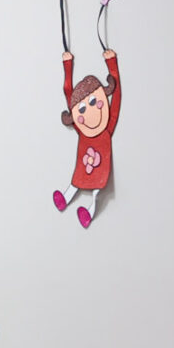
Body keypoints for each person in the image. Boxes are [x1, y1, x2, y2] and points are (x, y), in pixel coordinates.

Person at [52, 48, 121, 227]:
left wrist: (111, 63)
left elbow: (117, 93)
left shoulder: (108, 126)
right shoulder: (82, 130)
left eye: (93, 102)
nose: (89, 110)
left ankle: (90, 211)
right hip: (84, 164)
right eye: (82, 109)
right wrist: (67, 65)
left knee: (98, 189)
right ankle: (66, 198)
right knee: (76, 180)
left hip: (101, 165)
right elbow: (68, 92)